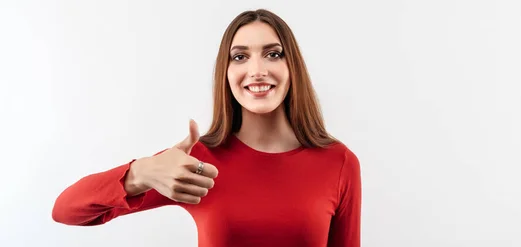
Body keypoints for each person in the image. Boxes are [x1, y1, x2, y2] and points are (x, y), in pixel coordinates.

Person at [52, 8, 362, 247]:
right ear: (226, 73)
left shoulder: (338, 162)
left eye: (273, 54)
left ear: (292, 66)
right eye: (240, 56)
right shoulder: (197, 163)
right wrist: (141, 173)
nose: (256, 70)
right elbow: (66, 210)